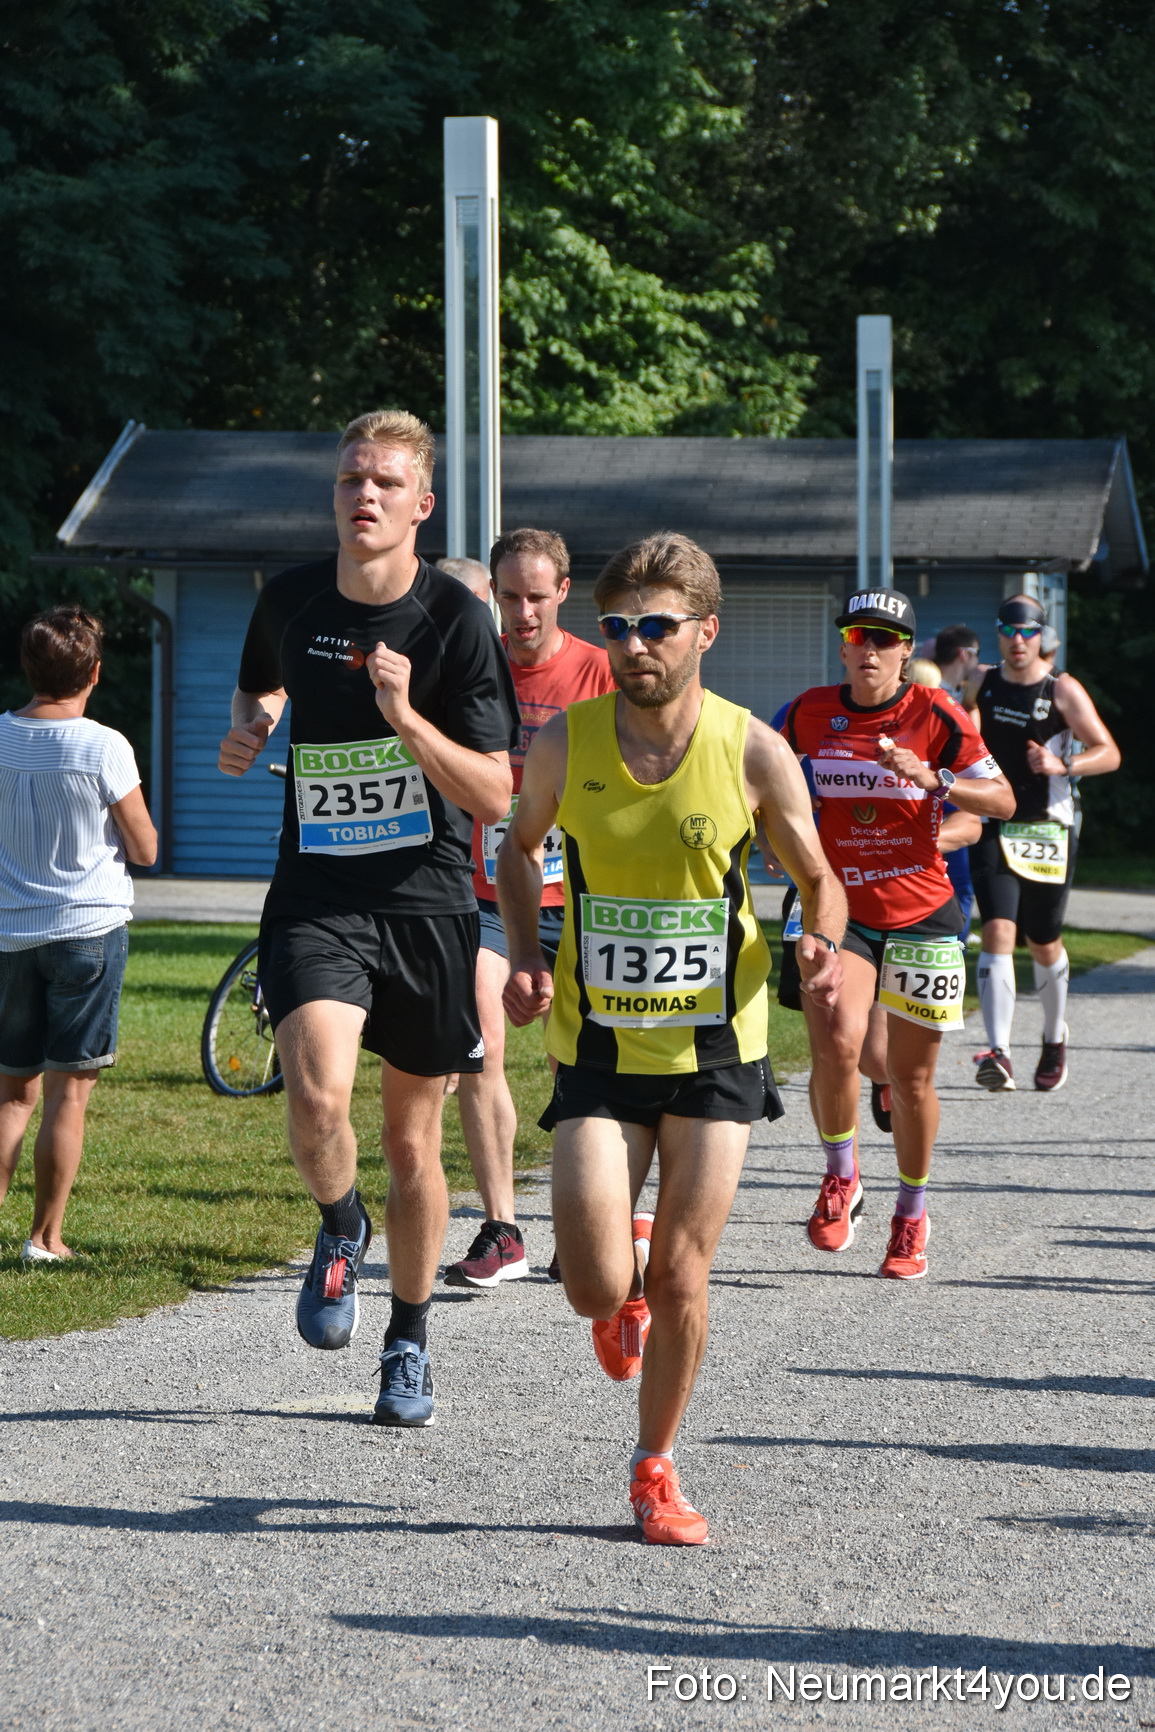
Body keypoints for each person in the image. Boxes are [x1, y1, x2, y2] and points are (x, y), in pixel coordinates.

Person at [498, 531, 845, 1545]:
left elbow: (818, 875)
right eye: (618, 627)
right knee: (598, 1284)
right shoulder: (569, 741)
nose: (636, 644)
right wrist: (524, 950)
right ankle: (618, 1288)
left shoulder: (751, 748)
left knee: (688, 1274)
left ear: (705, 631)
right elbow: (517, 849)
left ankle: (655, 1468)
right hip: (600, 1046)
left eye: (656, 626)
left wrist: (816, 939)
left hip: (715, 1048)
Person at [218, 409, 518, 1427]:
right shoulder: (294, 599)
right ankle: (340, 1225)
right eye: (352, 480)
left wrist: (407, 719)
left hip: (428, 903)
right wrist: (251, 725)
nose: (366, 496)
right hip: (317, 893)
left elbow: (492, 793)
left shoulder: (454, 622)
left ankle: (409, 1337)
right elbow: (260, 676)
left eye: (387, 483)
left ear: (421, 505)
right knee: (316, 1099)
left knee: (413, 1144)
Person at [782, 587, 1013, 1281]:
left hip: (921, 914)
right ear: (845, 645)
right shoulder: (808, 711)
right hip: (839, 907)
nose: (871, 649)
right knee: (832, 1029)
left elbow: (999, 800)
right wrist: (774, 833)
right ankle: (841, 1176)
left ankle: (910, 1212)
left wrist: (934, 776)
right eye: (860, 636)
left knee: (909, 1079)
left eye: (886, 639)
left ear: (907, 651)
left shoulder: (935, 714)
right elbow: (752, 770)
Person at [444, 528, 616, 1288]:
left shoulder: (599, 672)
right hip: (483, 892)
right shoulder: (465, 667)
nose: (519, 613)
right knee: (477, 1045)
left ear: (562, 593)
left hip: (577, 897)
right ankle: (500, 1226)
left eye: (534, 597)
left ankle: (580, 1224)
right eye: (506, 596)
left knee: (573, 1063)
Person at [0, 606, 157, 1261]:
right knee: (69, 1092)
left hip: (10, 934)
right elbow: (145, 848)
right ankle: (45, 1237)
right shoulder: (104, 745)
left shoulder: (1, 736)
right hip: (87, 929)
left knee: (12, 1094)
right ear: (93, 672)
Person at [965, 594, 1120, 1092]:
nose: (1017, 640)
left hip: (1048, 828)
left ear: (1041, 636)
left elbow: (1109, 752)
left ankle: (1054, 1038)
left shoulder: (1062, 690)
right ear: (999, 634)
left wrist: (1063, 765)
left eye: (1027, 631)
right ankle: (1000, 1052)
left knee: (1043, 940)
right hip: (994, 821)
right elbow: (958, 724)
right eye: (1009, 630)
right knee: (997, 932)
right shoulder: (979, 681)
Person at [933, 624, 985, 700]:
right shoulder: (931, 691)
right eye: (977, 653)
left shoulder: (965, 694)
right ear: (964, 654)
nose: (977, 660)